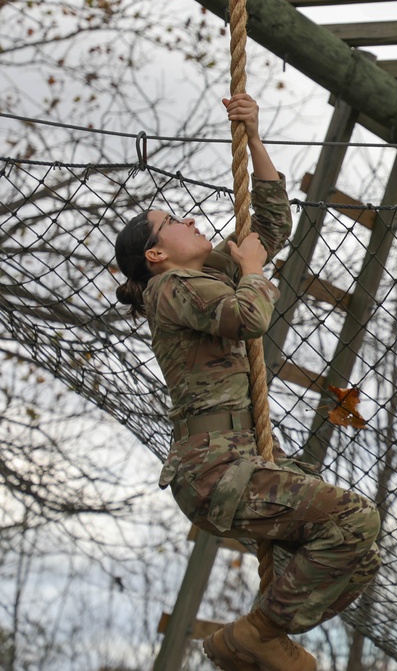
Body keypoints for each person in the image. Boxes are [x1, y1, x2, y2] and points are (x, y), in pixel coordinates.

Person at [114, 94, 381, 671]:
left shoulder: (204, 278)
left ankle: (261, 635)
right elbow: (251, 316)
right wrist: (255, 270)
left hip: (243, 459)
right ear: (156, 253)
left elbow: (271, 227)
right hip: (215, 472)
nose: (188, 219)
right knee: (353, 518)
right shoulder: (169, 290)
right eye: (171, 222)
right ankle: (259, 633)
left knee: (358, 556)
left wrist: (254, 137)